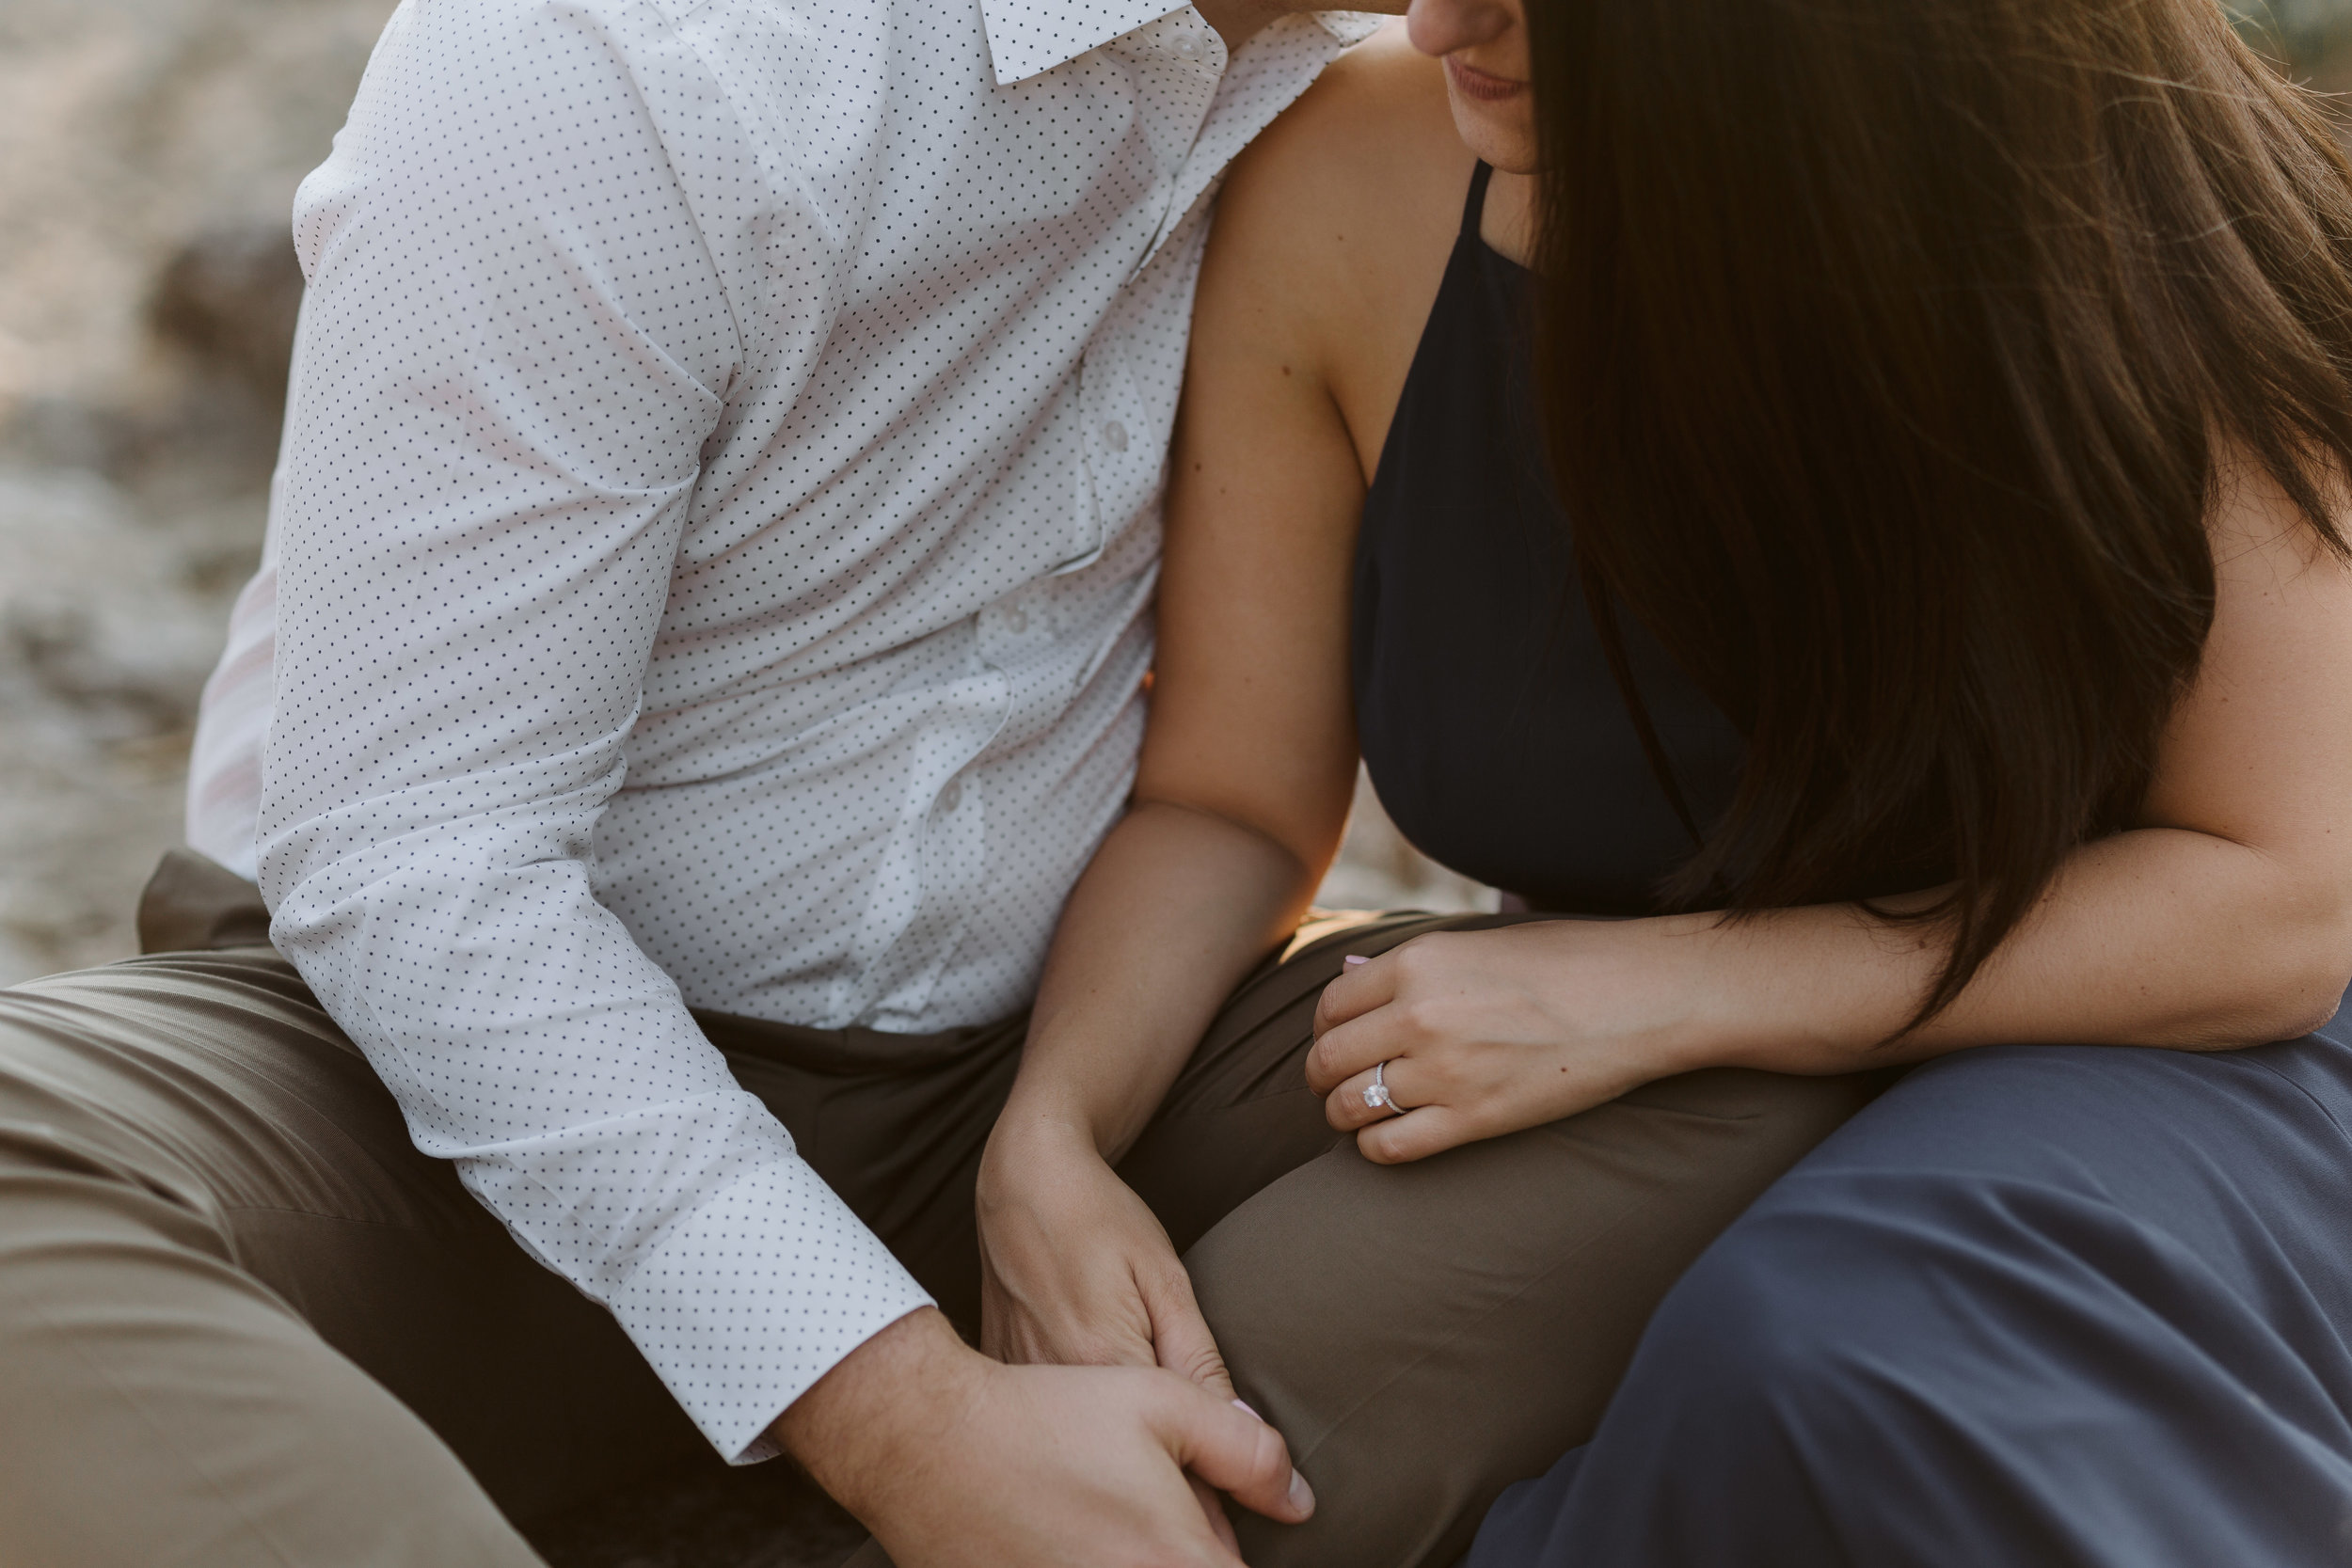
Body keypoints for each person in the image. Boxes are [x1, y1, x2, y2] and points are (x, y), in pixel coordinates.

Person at [0, 2, 1418, 1563]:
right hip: (400, 1097)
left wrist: (1059, 1130)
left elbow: (1253, 796)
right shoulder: (618, 51)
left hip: (1050, 1076)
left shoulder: (1421, 79)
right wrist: (905, 1418)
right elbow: (411, 858)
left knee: (1654, 1108)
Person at [980, 0, 2352, 1562]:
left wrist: (1680, 993)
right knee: (1140, 1379)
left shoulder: (2108, 213)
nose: (1437, 21)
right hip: (1624, 1046)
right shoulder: (1352, 178)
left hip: (2164, 1034)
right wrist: (1052, 1136)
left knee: (1823, 1367)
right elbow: (1227, 801)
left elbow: (2285, 905)